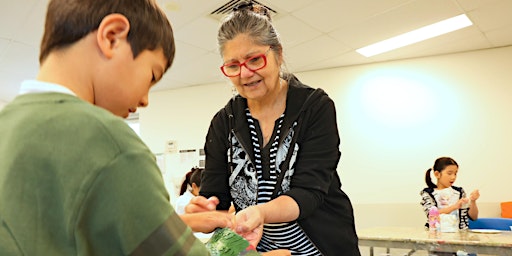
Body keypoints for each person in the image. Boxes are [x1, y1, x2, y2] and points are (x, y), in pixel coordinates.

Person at [0, 0, 231, 255]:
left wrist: (176, 224)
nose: (145, 99)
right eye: (152, 75)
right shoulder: (108, 142)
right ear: (112, 37)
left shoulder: (7, 125)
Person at [186, 1, 361, 255]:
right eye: (233, 65)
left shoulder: (315, 107)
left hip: (320, 246)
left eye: (254, 59)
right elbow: (217, 197)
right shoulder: (224, 123)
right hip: (259, 250)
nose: (245, 74)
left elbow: (309, 193)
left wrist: (262, 212)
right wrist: (206, 211)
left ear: (278, 54)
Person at [420, 157, 480, 255]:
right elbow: (432, 215)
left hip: (460, 239)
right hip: (437, 240)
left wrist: (473, 201)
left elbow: (473, 217)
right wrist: (455, 206)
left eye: (455, 173)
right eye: (449, 173)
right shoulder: (428, 193)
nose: (453, 177)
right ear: (437, 174)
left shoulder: (459, 192)